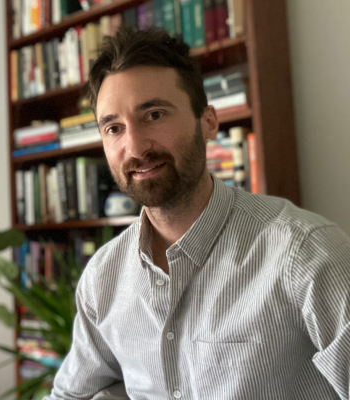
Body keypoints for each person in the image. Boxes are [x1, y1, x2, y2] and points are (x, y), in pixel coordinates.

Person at [44, 27, 350, 400]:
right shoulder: (102, 278)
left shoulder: (305, 255)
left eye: (154, 114)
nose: (135, 147)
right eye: (114, 128)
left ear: (208, 122)